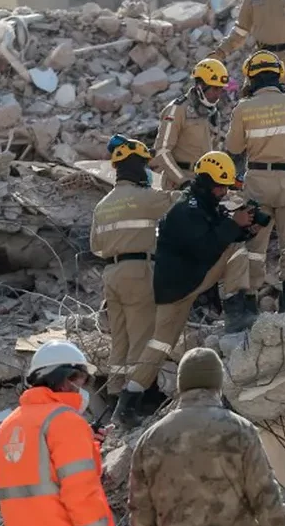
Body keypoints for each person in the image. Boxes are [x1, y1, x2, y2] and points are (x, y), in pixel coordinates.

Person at [112, 152, 254, 427]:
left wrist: (245, 227)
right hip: (185, 280)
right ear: (206, 182)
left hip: (176, 285)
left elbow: (214, 236)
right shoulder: (186, 211)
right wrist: (233, 227)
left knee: (160, 343)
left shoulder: (199, 205)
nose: (223, 192)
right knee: (237, 252)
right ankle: (238, 313)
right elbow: (205, 249)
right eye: (219, 186)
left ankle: (127, 402)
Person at [128, 347, 285, 526]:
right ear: (218, 384)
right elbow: (266, 500)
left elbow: (140, 513)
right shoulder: (241, 431)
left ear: (181, 385)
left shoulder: (149, 440)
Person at [91, 135, 180, 403]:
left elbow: (96, 246)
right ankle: (138, 396)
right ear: (135, 167)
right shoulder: (145, 198)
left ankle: (116, 390)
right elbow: (179, 201)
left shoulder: (103, 204)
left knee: (120, 337)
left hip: (111, 274)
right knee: (142, 334)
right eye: (144, 166)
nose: (147, 172)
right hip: (138, 271)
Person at [225, 50, 285, 313]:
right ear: (279, 76)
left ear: (251, 79)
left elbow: (233, 147)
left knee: (254, 245)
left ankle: (251, 303)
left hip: (257, 182)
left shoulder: (243, 108)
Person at [0, 340, 114, 526]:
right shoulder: (66, 422)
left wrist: (88, 442)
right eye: (81, 378)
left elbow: (40, 472)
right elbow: (81, 493)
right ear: (65, 379)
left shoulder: (8, 425)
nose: (83, 386)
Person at [150, 58, 230, 189]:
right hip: (177, 184)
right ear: (200, 86)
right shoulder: (177, 110)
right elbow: (161, 151)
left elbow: (214, 150)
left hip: (204, 183)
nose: (218, 94)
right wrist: (183, 181)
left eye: (221, 89)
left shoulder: (213, 113)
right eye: (215, 89)